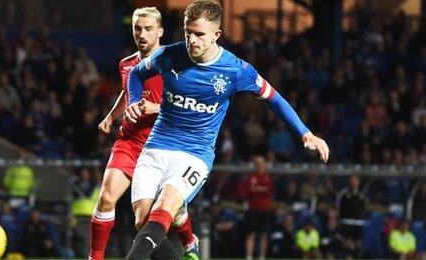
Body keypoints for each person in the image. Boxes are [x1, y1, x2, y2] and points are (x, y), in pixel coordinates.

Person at [123, 1, 329, 259]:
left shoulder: (235, 70)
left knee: (163, 209)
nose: (192, 40)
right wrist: (132, 102)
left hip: (195, 154)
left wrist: (305, 133)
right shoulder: (170, 55)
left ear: (216, 35)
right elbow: (135, 74)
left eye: (199, 34)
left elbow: (273, 97)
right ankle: (187, 235)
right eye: (188, 32)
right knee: (142, 220)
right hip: (157, 145)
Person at [90, 7, 198, 260]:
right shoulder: (127, 64)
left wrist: (155, 107)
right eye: (137, 29)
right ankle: (95, 257)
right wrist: (111, 116)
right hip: (129, 141)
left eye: (148, 29)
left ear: (160, 31)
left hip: (162, 144)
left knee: (148, 220)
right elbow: (128, 91)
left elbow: (191, 103)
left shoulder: (176, 64)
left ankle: (188, 242)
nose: (142, 34)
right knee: (106, 198)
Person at [243, 156, 274, 260]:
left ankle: (262, 256)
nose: (260, 165)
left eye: (262, 162)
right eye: (258, 163)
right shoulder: (252, 176)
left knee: (263, 234)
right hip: (253, 209)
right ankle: (249, 256)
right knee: (251, 233)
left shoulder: (268, 177)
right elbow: (251, 189)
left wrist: (258, 188)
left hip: (265, 209)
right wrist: (261, 189)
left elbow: (269, 189)